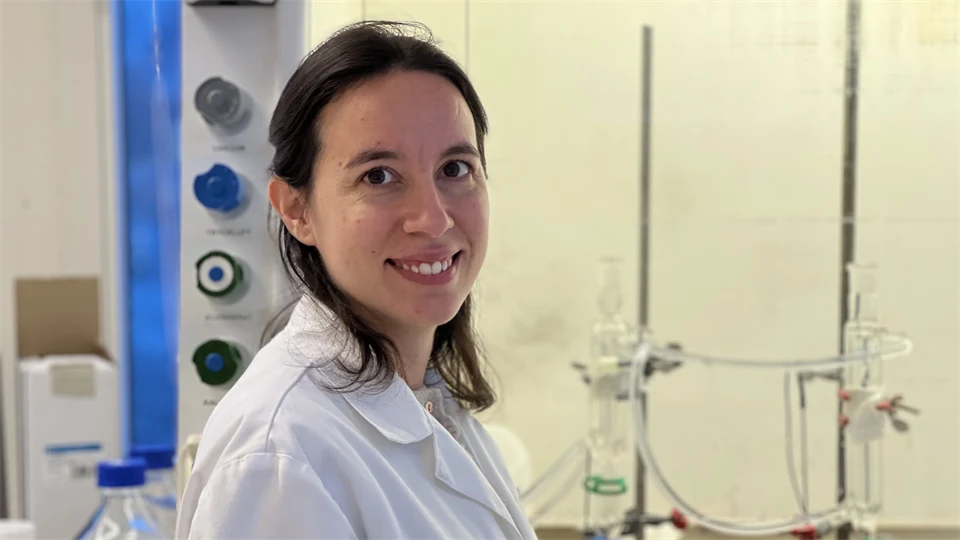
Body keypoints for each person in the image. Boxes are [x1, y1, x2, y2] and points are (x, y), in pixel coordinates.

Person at [175, 21, 537, 540]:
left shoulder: (427, 401)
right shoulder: (281, 455)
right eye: (378, 176)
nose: (432, 220)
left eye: (455, 168)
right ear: (297, 211)